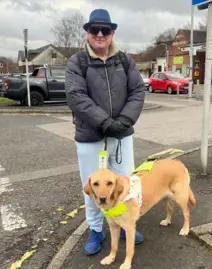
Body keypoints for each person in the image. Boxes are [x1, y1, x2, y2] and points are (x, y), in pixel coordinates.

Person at [64, 9, 146, 256]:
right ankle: (96, 229)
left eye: (105, 30)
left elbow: (138, 91)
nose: (100, 34)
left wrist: (123, 121)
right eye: (94, 30)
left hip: (121, 136)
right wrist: (105, 123)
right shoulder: (77, 62)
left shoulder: (125, 60)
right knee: (93, 188)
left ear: (112, 33)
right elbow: (76, 97)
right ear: (88, 33)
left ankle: (122, 223)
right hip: (90, 137)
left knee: (126, 184)